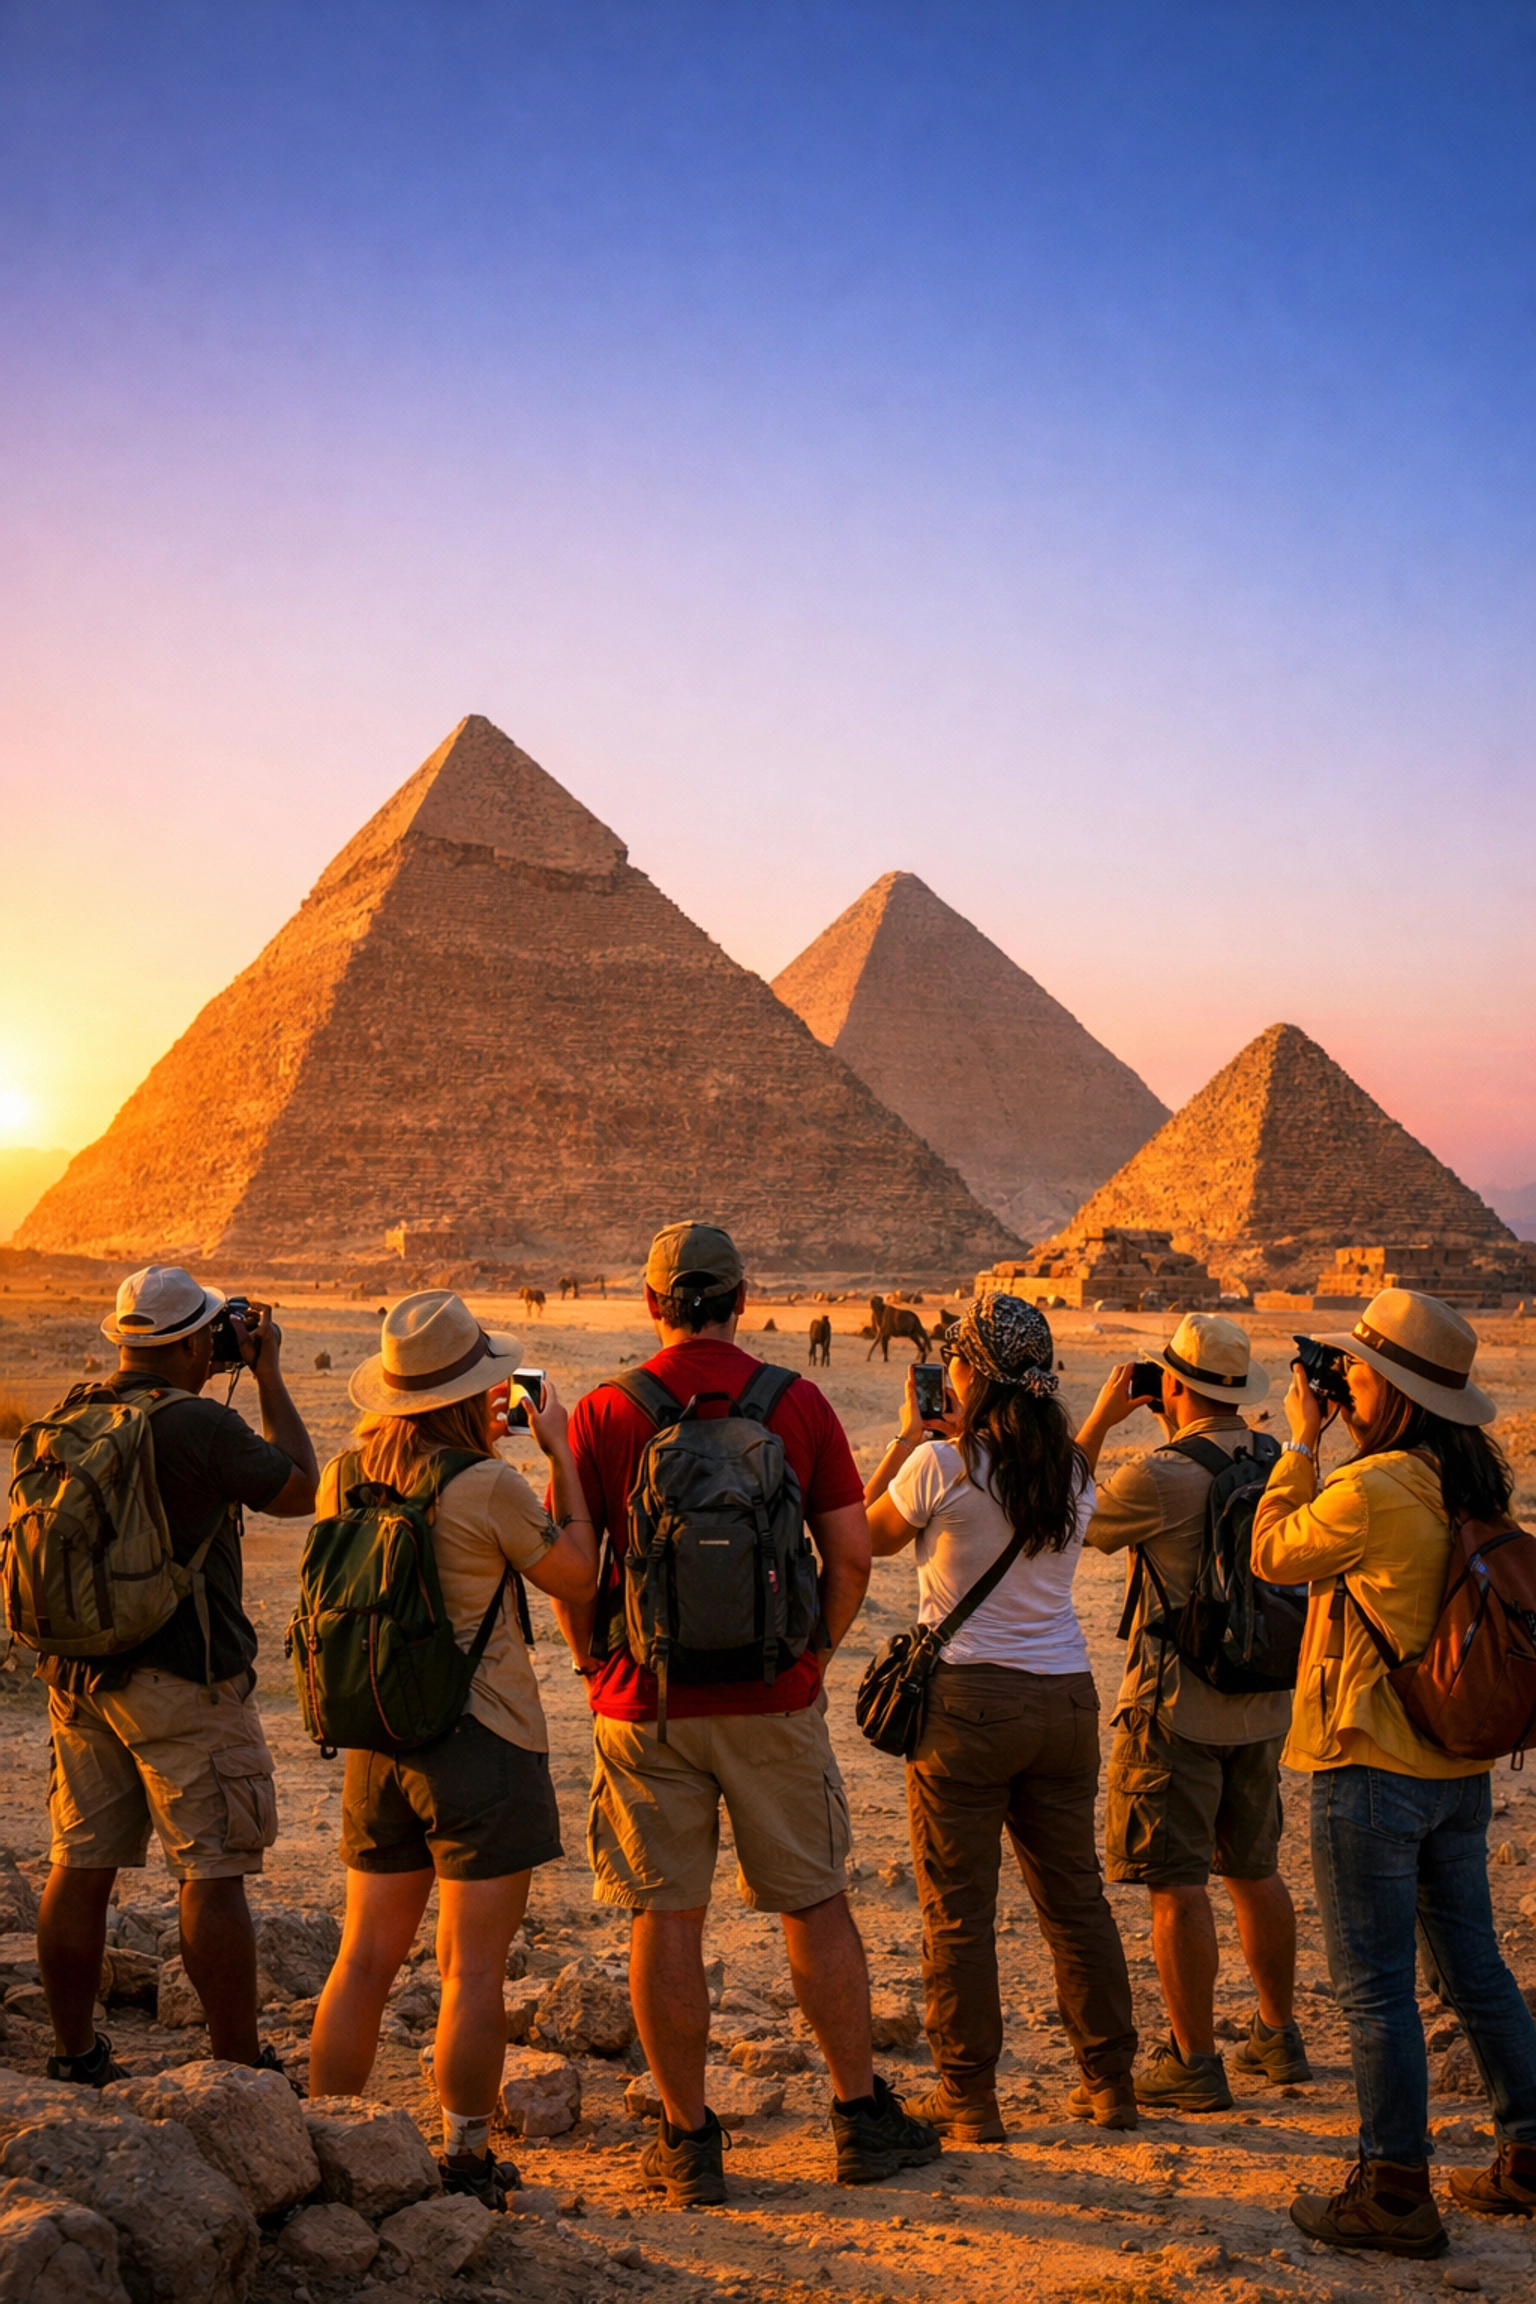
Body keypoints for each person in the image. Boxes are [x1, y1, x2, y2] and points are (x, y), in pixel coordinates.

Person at [553, 1221, 940, 2204]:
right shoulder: (796, 1403)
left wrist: (595, 1659)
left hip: (646, 1703)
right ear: (741, 1296)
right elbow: (850, 1557)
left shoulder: (603, 1413)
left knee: (665, 1916)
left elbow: (576, 1561)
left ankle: (688, 2144)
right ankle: (859, 2119)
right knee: (814, 1902)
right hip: (775, 1698)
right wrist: (811, 1657)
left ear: (650, 1304)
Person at [1252, 1289, 1536, 2255]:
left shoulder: (1371, 1491)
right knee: (1474, 1968)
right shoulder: (1466, 1487)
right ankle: (1532, 2150)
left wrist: (1299, 1441)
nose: (1346, 1381)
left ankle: (1395, 2192)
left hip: (1370, 1767)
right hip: (1457, 1767)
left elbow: (1270, 1552)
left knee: (1374, 1990)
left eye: (1360, 1371)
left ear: (1401, 1392)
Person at [306, 1291, 598, 2207]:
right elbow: (577, 1574)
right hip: (483, 1745)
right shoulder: (489, 1485)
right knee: (472, 1969)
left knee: (362, 1959)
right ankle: (467, 2159)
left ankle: (321, 2144)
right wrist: (559, 1456)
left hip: (377, 1743)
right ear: (476, 1394)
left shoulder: (342, 1476)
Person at [864, 1293, 1139, 2137]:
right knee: (1075, 1901)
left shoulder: (941, 1468)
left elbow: (863, 1536)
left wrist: (911, 1434)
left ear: (970, 1375)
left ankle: (970, 2097)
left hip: (967, 1711)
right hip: (1064, 1702)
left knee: (959, 1910)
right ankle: (1111, 2086)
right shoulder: (1075, 1473)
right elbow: (1060, 1469)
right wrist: (1096, 1418)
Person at [36, 1265, 318, 2082]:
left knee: (80, 1862)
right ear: (193, 1341)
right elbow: (298, 1488)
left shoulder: (78, 1411)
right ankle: (236, 2069)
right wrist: (267, 1374)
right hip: (184, 1680)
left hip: (80, 1678)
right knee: (213, 1869)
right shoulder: (197, 1424)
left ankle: (73, 2054)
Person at [1076, 1312, 1308, 2113]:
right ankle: (1278, 2036)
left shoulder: (1159, 1476)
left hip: (1175, 1708)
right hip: (1263, 1703)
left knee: (1176, 1887)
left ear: (1171, 1386)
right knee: (1255, 1870)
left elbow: (1068, 1522)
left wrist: (1101, 1420)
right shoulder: (1281, 1458)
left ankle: (1195, 2061)